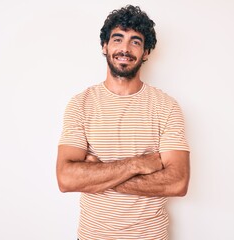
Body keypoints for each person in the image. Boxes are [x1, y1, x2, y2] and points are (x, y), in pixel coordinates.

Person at [56, 5, 190, 240]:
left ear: (146, 52)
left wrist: (97, 174)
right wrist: (137, 164)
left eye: (135, 42)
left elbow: (177, 182)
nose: (125, 48)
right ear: (105, 46)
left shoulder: (166, 106)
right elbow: (66, 179)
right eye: (118, 39)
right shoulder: (81, 104)